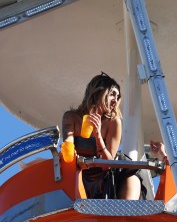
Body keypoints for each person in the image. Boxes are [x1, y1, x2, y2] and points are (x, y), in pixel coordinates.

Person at [62, 72, 155, 200]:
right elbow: (68, 145)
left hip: (113, 173)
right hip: (83, 173)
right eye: (112, 94)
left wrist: (98, 136)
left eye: (118, 97)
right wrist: (70, 154)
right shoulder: (71, 117)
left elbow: (108, 164)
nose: (115, 100)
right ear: (98, 92)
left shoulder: (113, 122)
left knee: (131, 181)